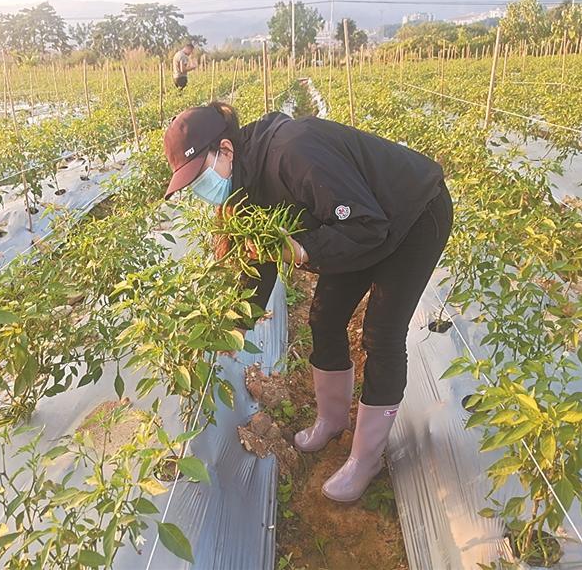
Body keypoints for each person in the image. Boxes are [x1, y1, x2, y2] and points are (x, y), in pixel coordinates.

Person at [162, 103, 453, 503]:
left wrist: (299, 249)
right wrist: (235, 325)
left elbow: (366, 226)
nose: (199, 189)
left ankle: (366, 459)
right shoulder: (243, 185)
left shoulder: (292, 152)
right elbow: (259, 262)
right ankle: (332, 420)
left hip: (411, 213)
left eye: (199, 177)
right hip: (358, 224)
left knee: (381, 334)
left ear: (225, 150)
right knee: (324, 317)